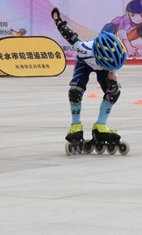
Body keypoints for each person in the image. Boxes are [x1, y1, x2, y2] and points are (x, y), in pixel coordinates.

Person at [53, 9, 128, 151]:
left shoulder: (116, 57)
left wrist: (112, 77)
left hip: (105, 65)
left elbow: (113, 70)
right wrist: (58, 21)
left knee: (114, 91)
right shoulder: (84, 50)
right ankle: (76, 126)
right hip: (84, 63)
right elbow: (69, 35)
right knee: (75, 91)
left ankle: (100, 126)